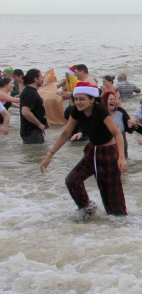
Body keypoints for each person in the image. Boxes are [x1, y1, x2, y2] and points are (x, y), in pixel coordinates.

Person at [39, 82, 128, 221]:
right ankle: (87, 208)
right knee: (72, 181)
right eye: (76, 99)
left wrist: (121, 158)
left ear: (92, 99)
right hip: (91, 151)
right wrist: (50, 155)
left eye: (82, 99)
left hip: (108, 153)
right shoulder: (76, 111)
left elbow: (117, 133)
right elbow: (65, 133)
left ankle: (121, 226)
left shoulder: (100, 111)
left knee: (112, 200)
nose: (78, 102)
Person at [19, 68, 48, 144]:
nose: (43, 79)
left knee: (37, 153)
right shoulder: (30, 93)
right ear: (35, 79)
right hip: (31, 131)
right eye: (41, 77)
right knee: (38, 154)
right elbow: (25, 111)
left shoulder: (31, 91)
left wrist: (45, 122)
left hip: (33, 131)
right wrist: (39, 124)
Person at [101, 91, 133, 159]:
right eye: (110, 99)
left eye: (114, 99)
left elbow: (130, 130)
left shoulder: (120, 112)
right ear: (104, 101)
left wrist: (133, 124)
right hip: (105, 149)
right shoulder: (99, 114)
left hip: (121, 149)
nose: (113, 101)